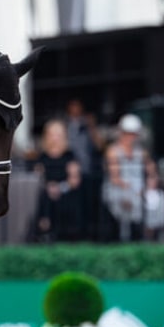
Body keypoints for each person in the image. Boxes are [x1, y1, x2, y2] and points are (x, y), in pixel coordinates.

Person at [102, 114, 160, 242]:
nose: (130, 137)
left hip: (139, 190)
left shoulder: (141, 151)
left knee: (160, 201)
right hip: (118, 190)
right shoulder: (112, 151)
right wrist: (135, 190)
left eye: (133, 134)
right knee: (129, 202)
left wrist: (151, 182)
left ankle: (152, 236)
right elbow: (115, 178)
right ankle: (126, 239)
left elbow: (151, 170)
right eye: (127, 133)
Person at [29, 119, 82, 243]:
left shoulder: (70, 155)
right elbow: (37, 179)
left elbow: (75, 181)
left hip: (66, 197)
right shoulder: (41, 157)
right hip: (46, 199)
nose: (55, 138)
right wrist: (48, 187)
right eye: (52, 134)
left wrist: (60, 187)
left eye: (58, 135)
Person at [62, 98, 104, 241]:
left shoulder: (87, 126)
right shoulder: (65, 125)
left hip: (88, 172)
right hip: (70, 174)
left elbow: (100, 146)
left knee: (89, 205)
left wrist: (92, 126)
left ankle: (88, 234)